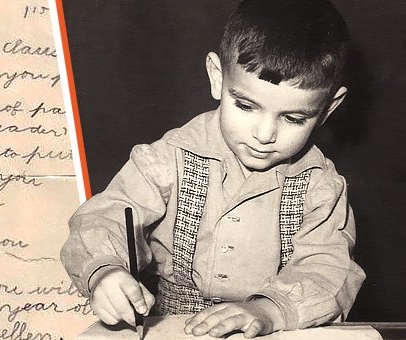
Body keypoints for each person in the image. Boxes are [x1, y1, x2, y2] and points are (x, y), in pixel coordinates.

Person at [60, 0, 366, 338]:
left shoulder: (321, 186)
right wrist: (104, 272)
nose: (264, 135)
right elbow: (105, 216)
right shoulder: (166, 160)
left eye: (294, 118)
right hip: (171, 327)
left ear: (328, 108)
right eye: (246, 106)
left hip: (275, 329)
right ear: (217, 76)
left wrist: (269, 311)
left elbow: (328, 270)